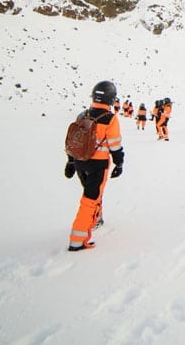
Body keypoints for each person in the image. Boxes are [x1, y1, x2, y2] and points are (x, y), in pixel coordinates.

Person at [64, 80, 124, 251]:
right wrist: (119, 163)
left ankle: (96, 219)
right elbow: (115, 145)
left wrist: (70, 162)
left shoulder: (82, 115)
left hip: (80, 162)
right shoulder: (110, 119)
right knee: (89, 200)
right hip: (98, 165)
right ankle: (77, 240)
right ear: (111, 100)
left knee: (93, 196)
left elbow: (74, 141)